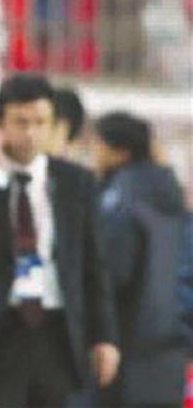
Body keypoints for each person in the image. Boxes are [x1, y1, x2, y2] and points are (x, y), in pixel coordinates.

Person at [0, 74, 119, 407]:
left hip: (55, 334)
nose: (31, 133)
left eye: (40, 122)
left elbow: (93, 265)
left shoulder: (76, 182)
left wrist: (105, 337)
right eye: (21, 122)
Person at [92, 111, 188, 407]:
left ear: (120, 151)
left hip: (125, 350)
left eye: (97, 144)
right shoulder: (173, 197)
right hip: (170, 350)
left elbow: (112, 274)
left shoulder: (120, 199)